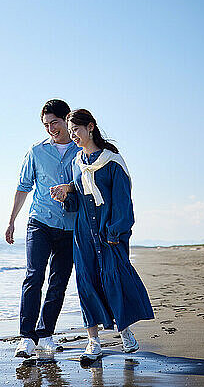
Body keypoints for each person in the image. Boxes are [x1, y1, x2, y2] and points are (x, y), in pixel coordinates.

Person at [50, 109, 154, 361]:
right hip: (83, 235)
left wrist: (116, 229)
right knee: (86, 283)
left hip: (109, 233)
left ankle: (125, 332)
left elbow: (123, 200)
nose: (73, 134)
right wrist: (66, 196)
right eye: (70, 130)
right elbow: (78, 202)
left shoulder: (112, 161)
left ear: (91, 127)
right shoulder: (77, 163)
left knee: (114, 280)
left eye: (76, 129)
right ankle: (93, 341)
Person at [6, 99, 81, 358]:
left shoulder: (82, 152)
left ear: (67, 119)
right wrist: (12, 220)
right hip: (39, 222)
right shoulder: (36, 151)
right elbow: (23, 186)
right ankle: (26, 337)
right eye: (46, 125)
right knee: (34, 276)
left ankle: (46, 333)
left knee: (58, 282)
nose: (51, 129)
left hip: (71, 226)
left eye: (55, 123)